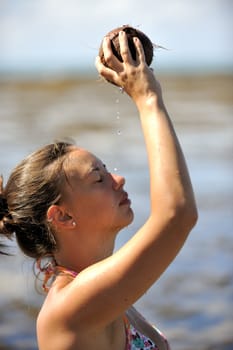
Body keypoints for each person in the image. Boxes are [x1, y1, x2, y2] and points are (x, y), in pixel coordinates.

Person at [0, 31, 198, 350]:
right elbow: (177, 215)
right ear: (62, 215)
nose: (118, 180)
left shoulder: (99, 290)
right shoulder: (70, 308)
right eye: (99, 178)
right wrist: (147, 98)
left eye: (107, 171)